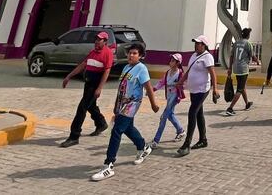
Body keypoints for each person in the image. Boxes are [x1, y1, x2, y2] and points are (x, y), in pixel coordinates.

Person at [91, 42, 159, 182]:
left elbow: (148, 87)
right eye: (130, 53)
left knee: (116, 131)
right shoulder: (126, 67)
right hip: (122, 104)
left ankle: (108, 165)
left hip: (132, 104)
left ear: (140, 56)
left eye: (134, 53)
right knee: (128, 128)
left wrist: (153, 104)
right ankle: (143, 147)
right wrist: (116, 107)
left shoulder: (142, 69)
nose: (131, 55)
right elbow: (121, 88)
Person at [60, 31, 114, 147]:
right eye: (96, 39)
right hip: (88, 84)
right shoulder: (93, 52)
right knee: (91, 105)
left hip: (94, 84)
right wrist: (69, 76)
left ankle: (74, 136)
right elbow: (83, 65)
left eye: (99, 39)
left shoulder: (107, 53)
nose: (96, 41)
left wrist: (99, 88)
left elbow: (107, 71)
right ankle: (101, 123)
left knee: (82, 108)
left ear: (105, 41)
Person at [177, 35, 218, 156]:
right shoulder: (193, 56)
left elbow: (213, 74)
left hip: (202, 90)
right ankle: (203, 140)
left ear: (204, 45)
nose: (196, 45)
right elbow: (189, 71)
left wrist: (215, 89)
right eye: (195, 43)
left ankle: (187, 144)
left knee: (192, 112)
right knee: (199, 113)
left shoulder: (208, 57)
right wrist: (181, 82)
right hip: (193, 90)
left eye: (198, 43)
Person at [151, 52, 185, 148]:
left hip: (174, 97)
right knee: (170, 115)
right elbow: (162, 82)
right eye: (171, 60)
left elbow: (183, 85)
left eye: (173, 61)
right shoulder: (167, 73)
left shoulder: (180, 74)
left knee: (164, 117)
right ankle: (180, 131)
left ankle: (156, 140)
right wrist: (154, 89)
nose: (171, 62)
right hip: (169, 96)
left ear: (178, 63)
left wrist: (178, 87)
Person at [223, 28, 255, 116]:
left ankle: (247, 104)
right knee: (240, 89)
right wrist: (257, 61)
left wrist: (230, 68)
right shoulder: (248, 44)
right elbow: (252, 55)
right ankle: (230, 108)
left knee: (242, 85)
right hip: (243, 69)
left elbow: (231, 56)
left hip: (236, 68)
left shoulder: (236, 43)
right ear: (248, 35)